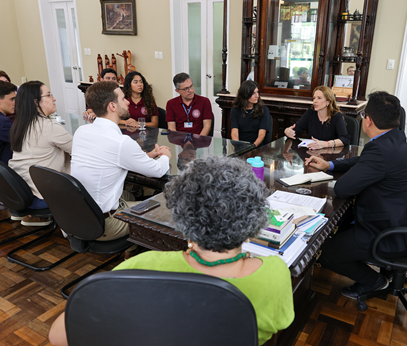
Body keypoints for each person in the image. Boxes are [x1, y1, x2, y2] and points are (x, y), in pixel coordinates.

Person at [48, 156, 295, 346]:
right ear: (255, 218)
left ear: (180, 215)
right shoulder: (275, 275)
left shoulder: (141, 266)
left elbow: (58, 335)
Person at [305, 91, 407, 299]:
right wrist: (331, 164)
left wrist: (337, 174)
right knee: (340, 225)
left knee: (326, 250)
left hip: (388, 233)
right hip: (400, 221)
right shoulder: (393, 139)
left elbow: (342, 189)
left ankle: (375, 282)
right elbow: (363, 161)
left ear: (368, 120)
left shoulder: (380, 150)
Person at [71, 81, 171, 245]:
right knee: (165, 206)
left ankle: (130, 249)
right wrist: (165, 156)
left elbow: (109, 156)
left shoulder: (82, 131)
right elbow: (158, 170)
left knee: (130, 194)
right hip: (106, 224)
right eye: (124, 98)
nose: (128, 102)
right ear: (112, 106)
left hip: (79, 216)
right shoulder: (121, 142)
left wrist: (147, 155)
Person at [9, 81, 73, 226]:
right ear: (35, 102)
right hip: (40, 197)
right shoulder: (49, 127)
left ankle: (35, 218)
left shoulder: (20, 124)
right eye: (49, 95)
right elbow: (79, 150)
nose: (54, 99)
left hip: (19, 192)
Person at [284, 86, 350, 149]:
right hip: (312, 153)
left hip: (330, 154)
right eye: (314, 98)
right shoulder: (310, 113)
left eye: (319, 98)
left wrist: (324, 144)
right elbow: (295, 131)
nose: (315, 101)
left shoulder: (336, 116)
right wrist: (287, 131)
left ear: (328, 101)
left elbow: (345, 139)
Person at [230, 80, 271, 147]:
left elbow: (262, 134)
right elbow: (234, 132)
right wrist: (237, 146)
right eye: (253, 93)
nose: (257, 96)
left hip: (257, 147)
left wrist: (252, 147)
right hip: (240, 146)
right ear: (245, 94)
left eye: (257, 92)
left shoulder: (264, 110)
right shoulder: (235, 110)